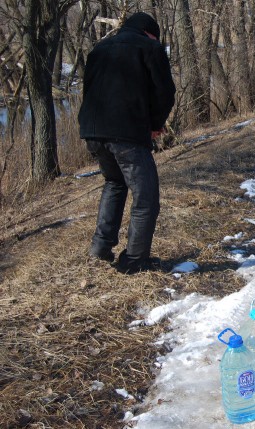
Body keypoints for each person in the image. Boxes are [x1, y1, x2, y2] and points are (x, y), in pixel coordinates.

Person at [78, 12, 176, 274]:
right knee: (146, 198)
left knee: (115, 183)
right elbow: (165, 92)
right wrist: (156, 124)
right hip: (127, 133)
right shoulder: (150, 48)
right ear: (149, 32)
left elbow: (88, 90)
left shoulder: (99, 49)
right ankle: (135, 260)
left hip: (94, 131)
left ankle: (100, 248)